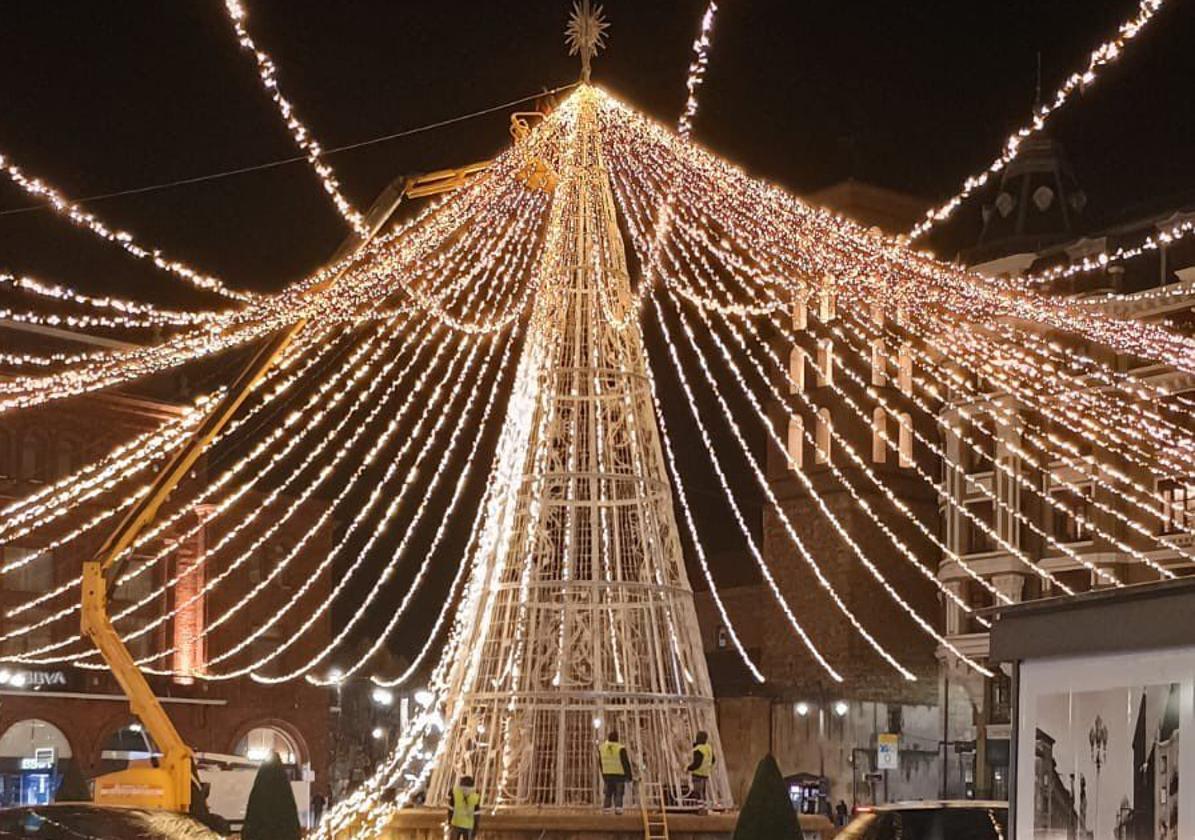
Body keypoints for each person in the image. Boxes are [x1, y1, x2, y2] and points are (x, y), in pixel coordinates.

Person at [598, 730, 633, 814]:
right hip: (619, 774)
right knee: (619, 792)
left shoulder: (602, 748)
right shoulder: (620, 748)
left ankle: (606, 808)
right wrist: (629, 776)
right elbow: (625, 762)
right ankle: (618, 808)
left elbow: (601, 762)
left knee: (608, 793)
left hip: (607, 774)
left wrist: (603, 773)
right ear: (617, 738)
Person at [685, 731, 715, 812]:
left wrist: (689, 768)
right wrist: (708, 767)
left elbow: (697, 763)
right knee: (703, 792)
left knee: (698, 792)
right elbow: (713, 760)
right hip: (705, 773)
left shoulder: (699, 749)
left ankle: (700, 809)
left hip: (697, 773)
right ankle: (704, 808)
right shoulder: (708, 748)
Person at [446, 774, 481, 839]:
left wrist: (449, 822)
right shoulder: (475, 794)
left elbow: (450, 809)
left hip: (456, 823)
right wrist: (476, 828)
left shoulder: (454, 792)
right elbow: (477, 814)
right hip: (469, 825)